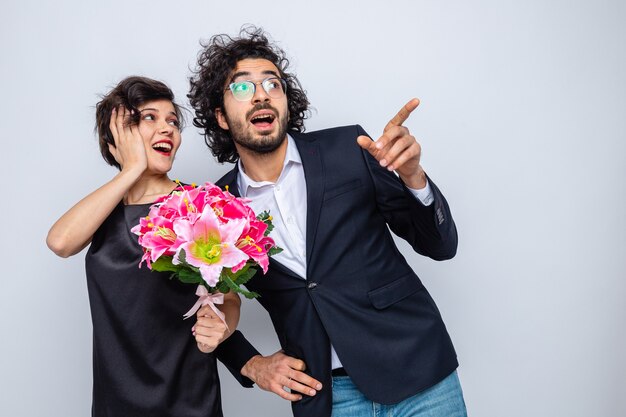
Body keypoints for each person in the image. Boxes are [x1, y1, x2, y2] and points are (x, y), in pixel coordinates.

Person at [188, 27, 467, 417]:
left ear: (286, 100)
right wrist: (251, 364)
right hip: (326, 397)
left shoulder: (348, 150)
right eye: (242, 88)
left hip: (417, 372)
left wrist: (414, 179)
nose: (262, 93)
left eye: (273, 83)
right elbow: (210, 310)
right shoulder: (215, 210)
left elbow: (439, 245)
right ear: (220, 116)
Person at [46, 76, 241, 417]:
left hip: (187, 398)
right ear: (116, 137)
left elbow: (231, 295)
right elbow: (61, 242)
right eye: (150, 117)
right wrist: (132, 169)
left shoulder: (198, 203)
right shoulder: (102, 210)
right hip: (115, 400)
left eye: (172, 122)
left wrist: (222, 326)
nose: (167, 129)